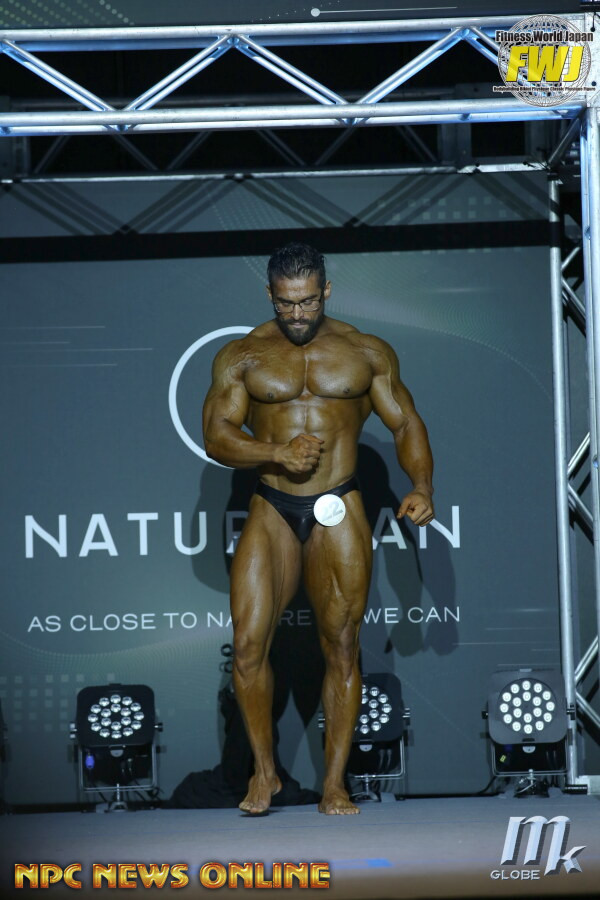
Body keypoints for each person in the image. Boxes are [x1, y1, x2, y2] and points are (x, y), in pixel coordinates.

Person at [202, 242, 434, 815]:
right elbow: (216, 437)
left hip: (339, 503)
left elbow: (405, 422)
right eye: (286, 303)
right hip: (272, 505)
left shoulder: (365, 352)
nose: (297, 313)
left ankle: (334, 784)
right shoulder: (243, 355)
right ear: (270, 294)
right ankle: (264, 773)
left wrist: (422, 486)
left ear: (326, 291)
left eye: (307, 301)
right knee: (248, 645)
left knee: (344, 646)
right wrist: (276, 452)